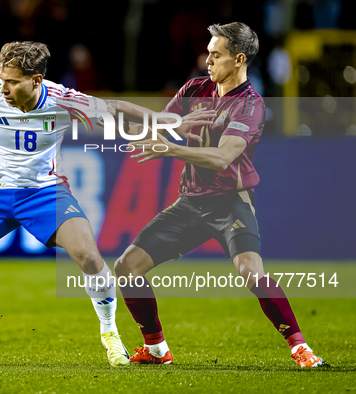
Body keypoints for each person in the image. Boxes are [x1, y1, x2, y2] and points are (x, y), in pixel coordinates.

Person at [0, 41, 155, 367]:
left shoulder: (62, 100)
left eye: (12, 81)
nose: (3, 88)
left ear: (36, 80)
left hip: (46, 193)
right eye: (1, 78)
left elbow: (116, 108)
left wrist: (168, 122)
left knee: (90, 257)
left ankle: (110, 334)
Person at [115, 22, 325, 368]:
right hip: (190, 201)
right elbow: (159, 121)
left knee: (251, 272)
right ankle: (156, 349)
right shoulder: (196, 88)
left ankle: (299, 347)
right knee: (126, 267)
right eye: (208, 53)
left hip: (231, 202)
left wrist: (170, 150)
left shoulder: (250, 106)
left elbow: (222, 157)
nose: (207, 60)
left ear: (239, 59)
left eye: (216, 55)